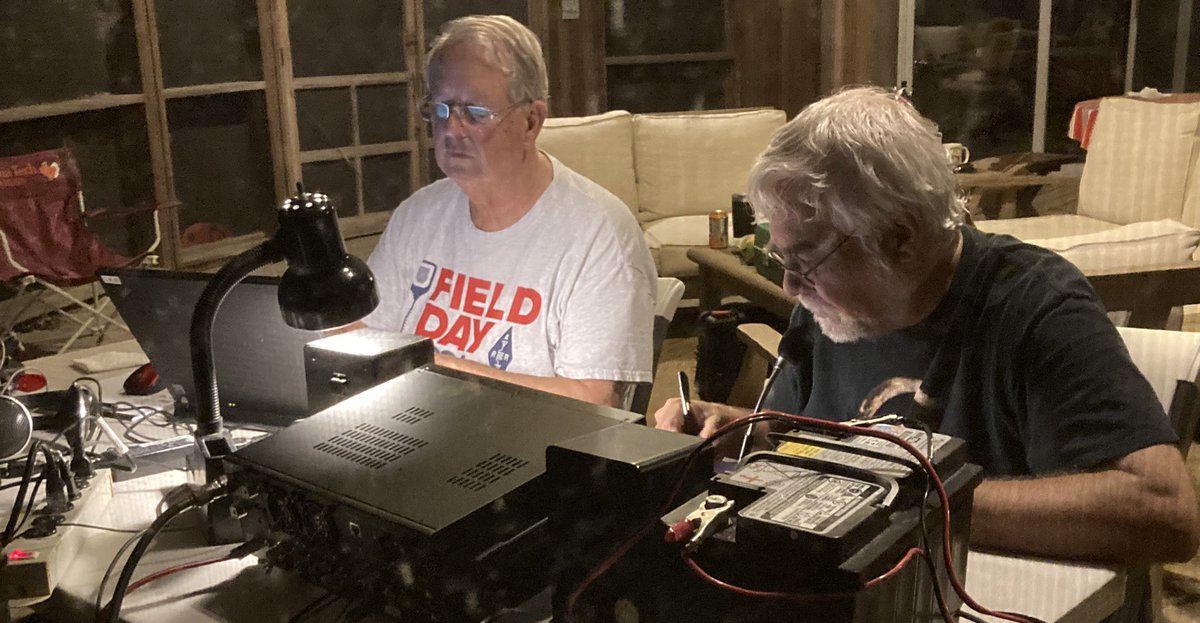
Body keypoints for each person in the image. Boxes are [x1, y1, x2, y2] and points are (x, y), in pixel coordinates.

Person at [656, 85, 1200, 565]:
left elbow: (1166, 513)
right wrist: (737, 431)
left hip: (995, 617)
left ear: (901, 238)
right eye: (785, 261)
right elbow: (808, 439)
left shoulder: (1036, 307)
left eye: (808, 260)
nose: (793, 288)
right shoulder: (831, 312)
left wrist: (903, 497)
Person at [363, 15, 655, 408]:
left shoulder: (599, 234)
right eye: (442, 109)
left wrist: (430, 367)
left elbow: (592, 404)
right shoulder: (418, 215)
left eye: (475, 113)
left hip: (530, 454)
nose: (453, 130)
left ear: (531, 121)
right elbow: (367, 338)